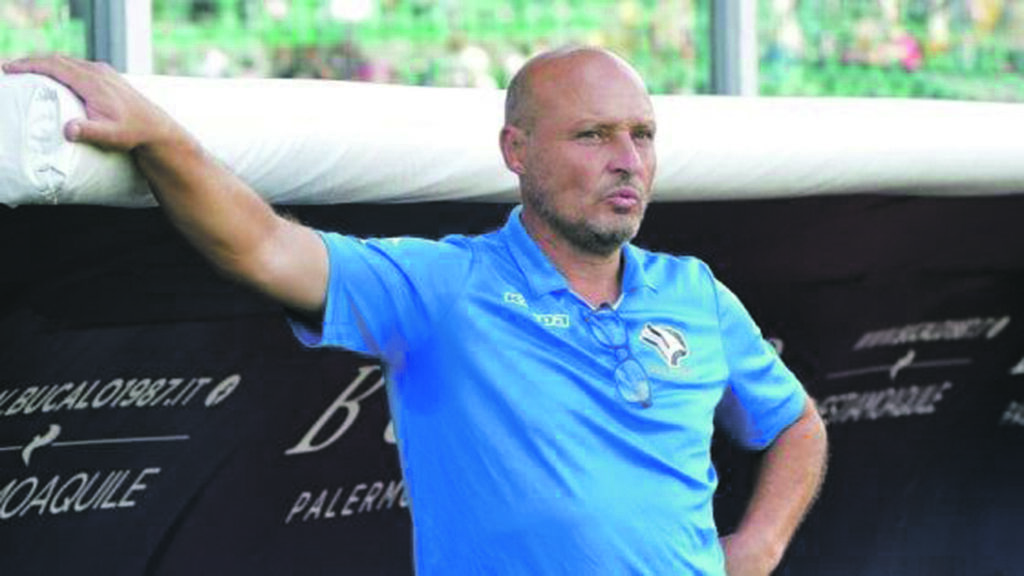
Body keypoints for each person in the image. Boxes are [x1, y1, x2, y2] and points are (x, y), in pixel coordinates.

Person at [3, 47, 828, 575]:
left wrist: (758, 548)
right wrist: (160, 138)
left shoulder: (694, 293)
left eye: (642, 135)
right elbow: (263, 247)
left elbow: (796, 424)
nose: (628, 161)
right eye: (593, 135)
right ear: (516, 151)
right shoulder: (445, 287)